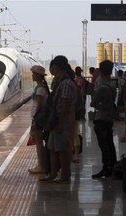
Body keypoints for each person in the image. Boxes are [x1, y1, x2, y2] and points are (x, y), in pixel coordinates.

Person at [40, 55, 76, 184]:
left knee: (62, 150)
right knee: (52, 148)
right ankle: (53, 173)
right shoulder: (60, 82)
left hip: (62, 121)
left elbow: (66, 105)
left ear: (56, 67)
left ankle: (64, 175)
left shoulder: (66, 83)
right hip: (56, 121)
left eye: (53, 68)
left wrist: (60, 123)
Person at [90, 60, 117, 178]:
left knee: (103, 145)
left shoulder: (102, 88)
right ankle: (113, 166)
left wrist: (98, 105)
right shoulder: (112, 85)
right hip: (109, 118)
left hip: (101, 119)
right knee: (110, 144)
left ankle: (105, 168)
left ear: (100, 71)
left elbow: (92, 103)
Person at [28, 65, 50, 174]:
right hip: (38, 118)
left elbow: (39, 105)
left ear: (37, 75)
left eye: (33, 74)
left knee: (39, 143)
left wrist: (34, 120)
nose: (32, 76)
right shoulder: (41, 87)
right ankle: (42, 165)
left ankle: (41, 166)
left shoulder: (40, 88)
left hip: (38, 119)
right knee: (39, 142)